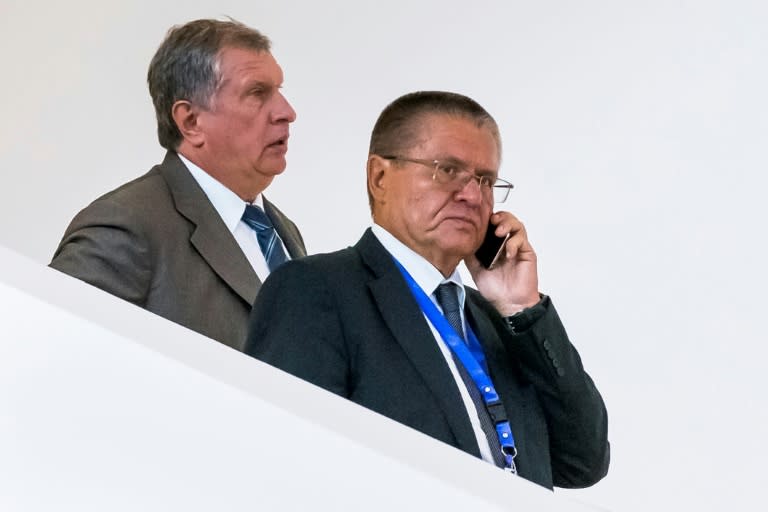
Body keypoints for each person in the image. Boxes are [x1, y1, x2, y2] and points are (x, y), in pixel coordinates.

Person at [245, 91, 609, 489]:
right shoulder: (315, 290)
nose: (472, 195)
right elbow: (292, 468)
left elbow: (582, 462)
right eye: (447, 170)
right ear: (379, 177)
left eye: (485, 180)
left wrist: (522, 308)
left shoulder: (498, 321)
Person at [50, 19, 305, 351]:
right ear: (191, 122)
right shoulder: (125, 226)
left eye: (279, 92)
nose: (287, 112)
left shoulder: (283, 232)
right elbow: (54, 353)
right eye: (257, 93)